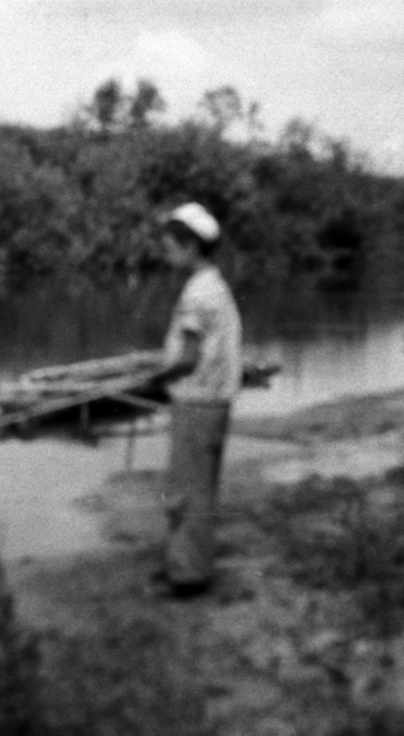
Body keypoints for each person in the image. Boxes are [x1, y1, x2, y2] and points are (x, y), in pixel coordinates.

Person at [155, 202, 243, 597]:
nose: (166, 252)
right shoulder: (215, 285)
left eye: (171, 244)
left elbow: (188, 357)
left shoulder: (197, 294)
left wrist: (157, 378)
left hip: (196, 401)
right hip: (215, 401)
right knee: (202, 489)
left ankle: (187, 577)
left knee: (186, 492)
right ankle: (192, 566)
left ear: (191, 246)